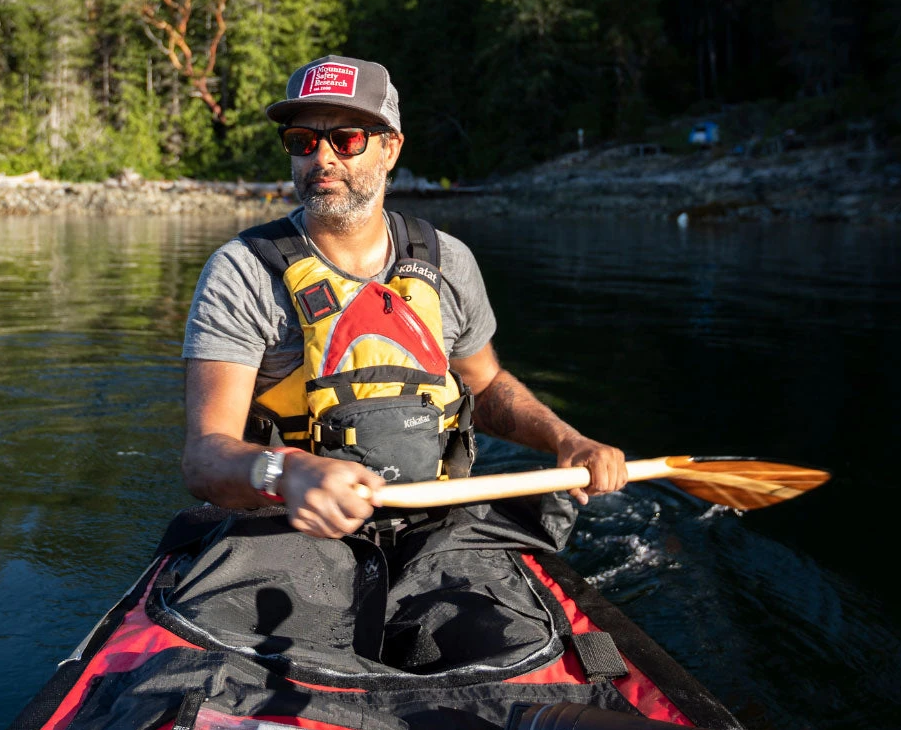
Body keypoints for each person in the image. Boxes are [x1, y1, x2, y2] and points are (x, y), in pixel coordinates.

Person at [181, 55, 627, 540]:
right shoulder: (242, 271)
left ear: (390, 148)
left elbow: (485, 384)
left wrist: (567, 439)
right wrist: (286, 473)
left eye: (347, 139)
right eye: (302, 141)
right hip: (291, 532)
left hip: (434, 527)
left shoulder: (448, 260)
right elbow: (205, 459)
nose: (322, 158)